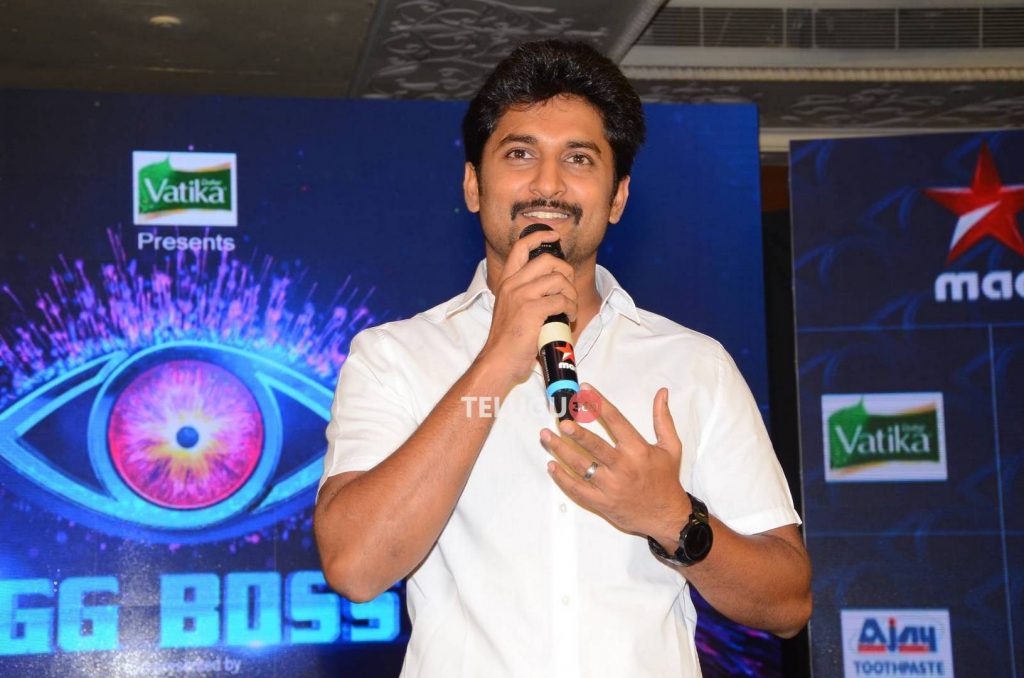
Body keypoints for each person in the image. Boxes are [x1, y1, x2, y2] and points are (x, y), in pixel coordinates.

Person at [314, 39, 812, 677]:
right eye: (520, 153)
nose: (547, 183)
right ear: (473, 185)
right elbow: (355, 567)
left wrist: (671, 518)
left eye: (579, 158)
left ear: (618, 197)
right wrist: (498, 358)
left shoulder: (694, 365)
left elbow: (788, 602)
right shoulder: (395, 357)